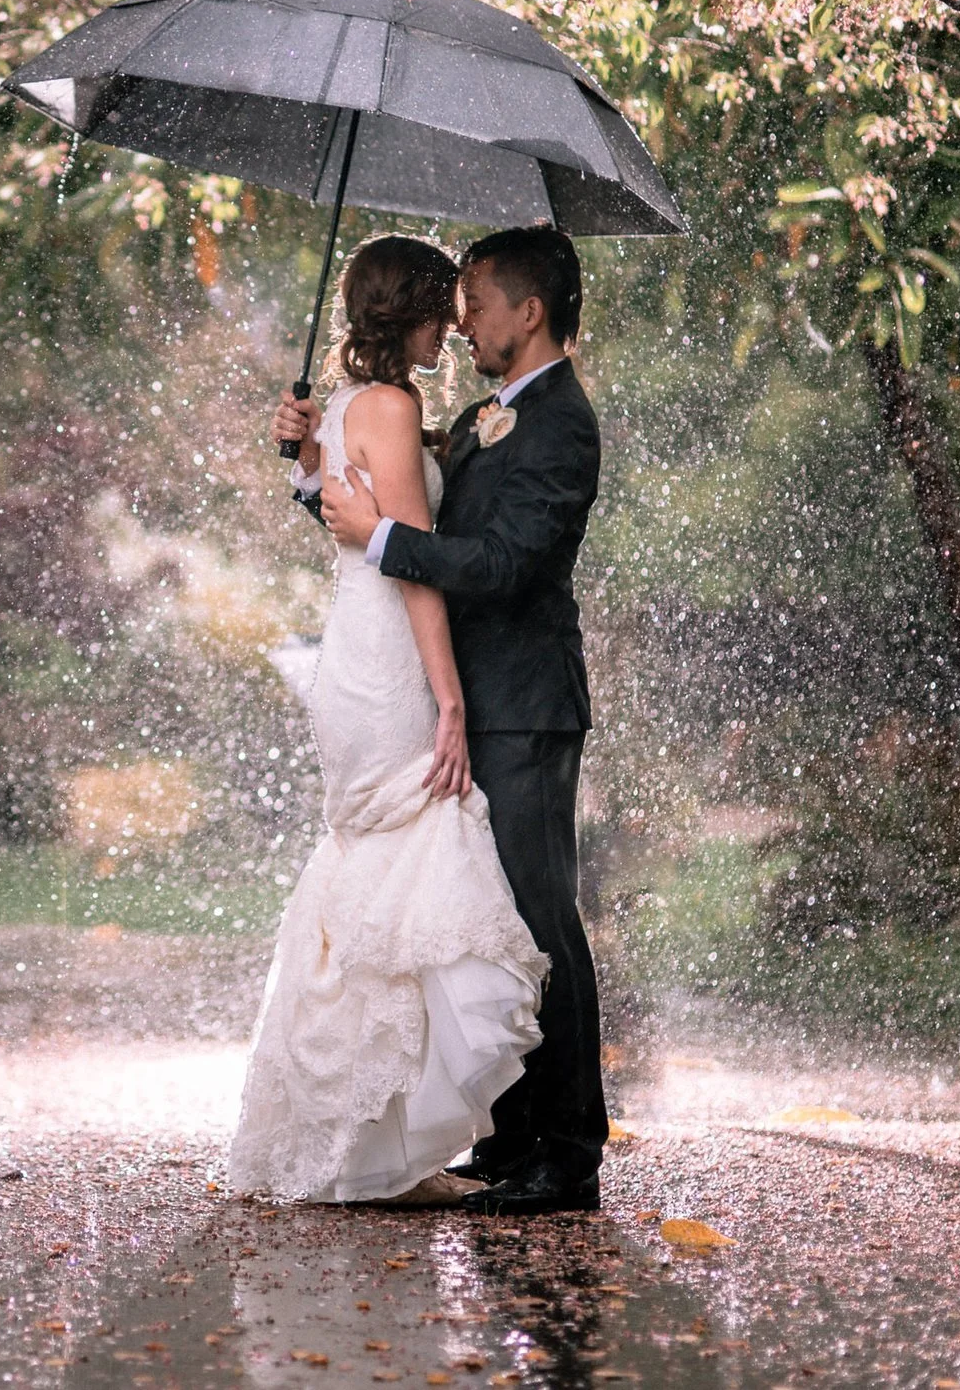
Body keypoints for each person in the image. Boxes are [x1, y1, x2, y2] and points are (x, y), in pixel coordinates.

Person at [275, 224, 608, 1217]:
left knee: (540, 920)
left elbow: (498, 563)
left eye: (475, 300)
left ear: (528, 310)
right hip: (460, 696)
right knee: (483, 920)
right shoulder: (479, 416)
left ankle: (570, 1150)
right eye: (450, 301)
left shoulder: (560, 423)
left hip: (523, 707)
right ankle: (509, 1139)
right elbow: (386, 530)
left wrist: (378, 529)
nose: (459, 319)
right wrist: (312, 463)